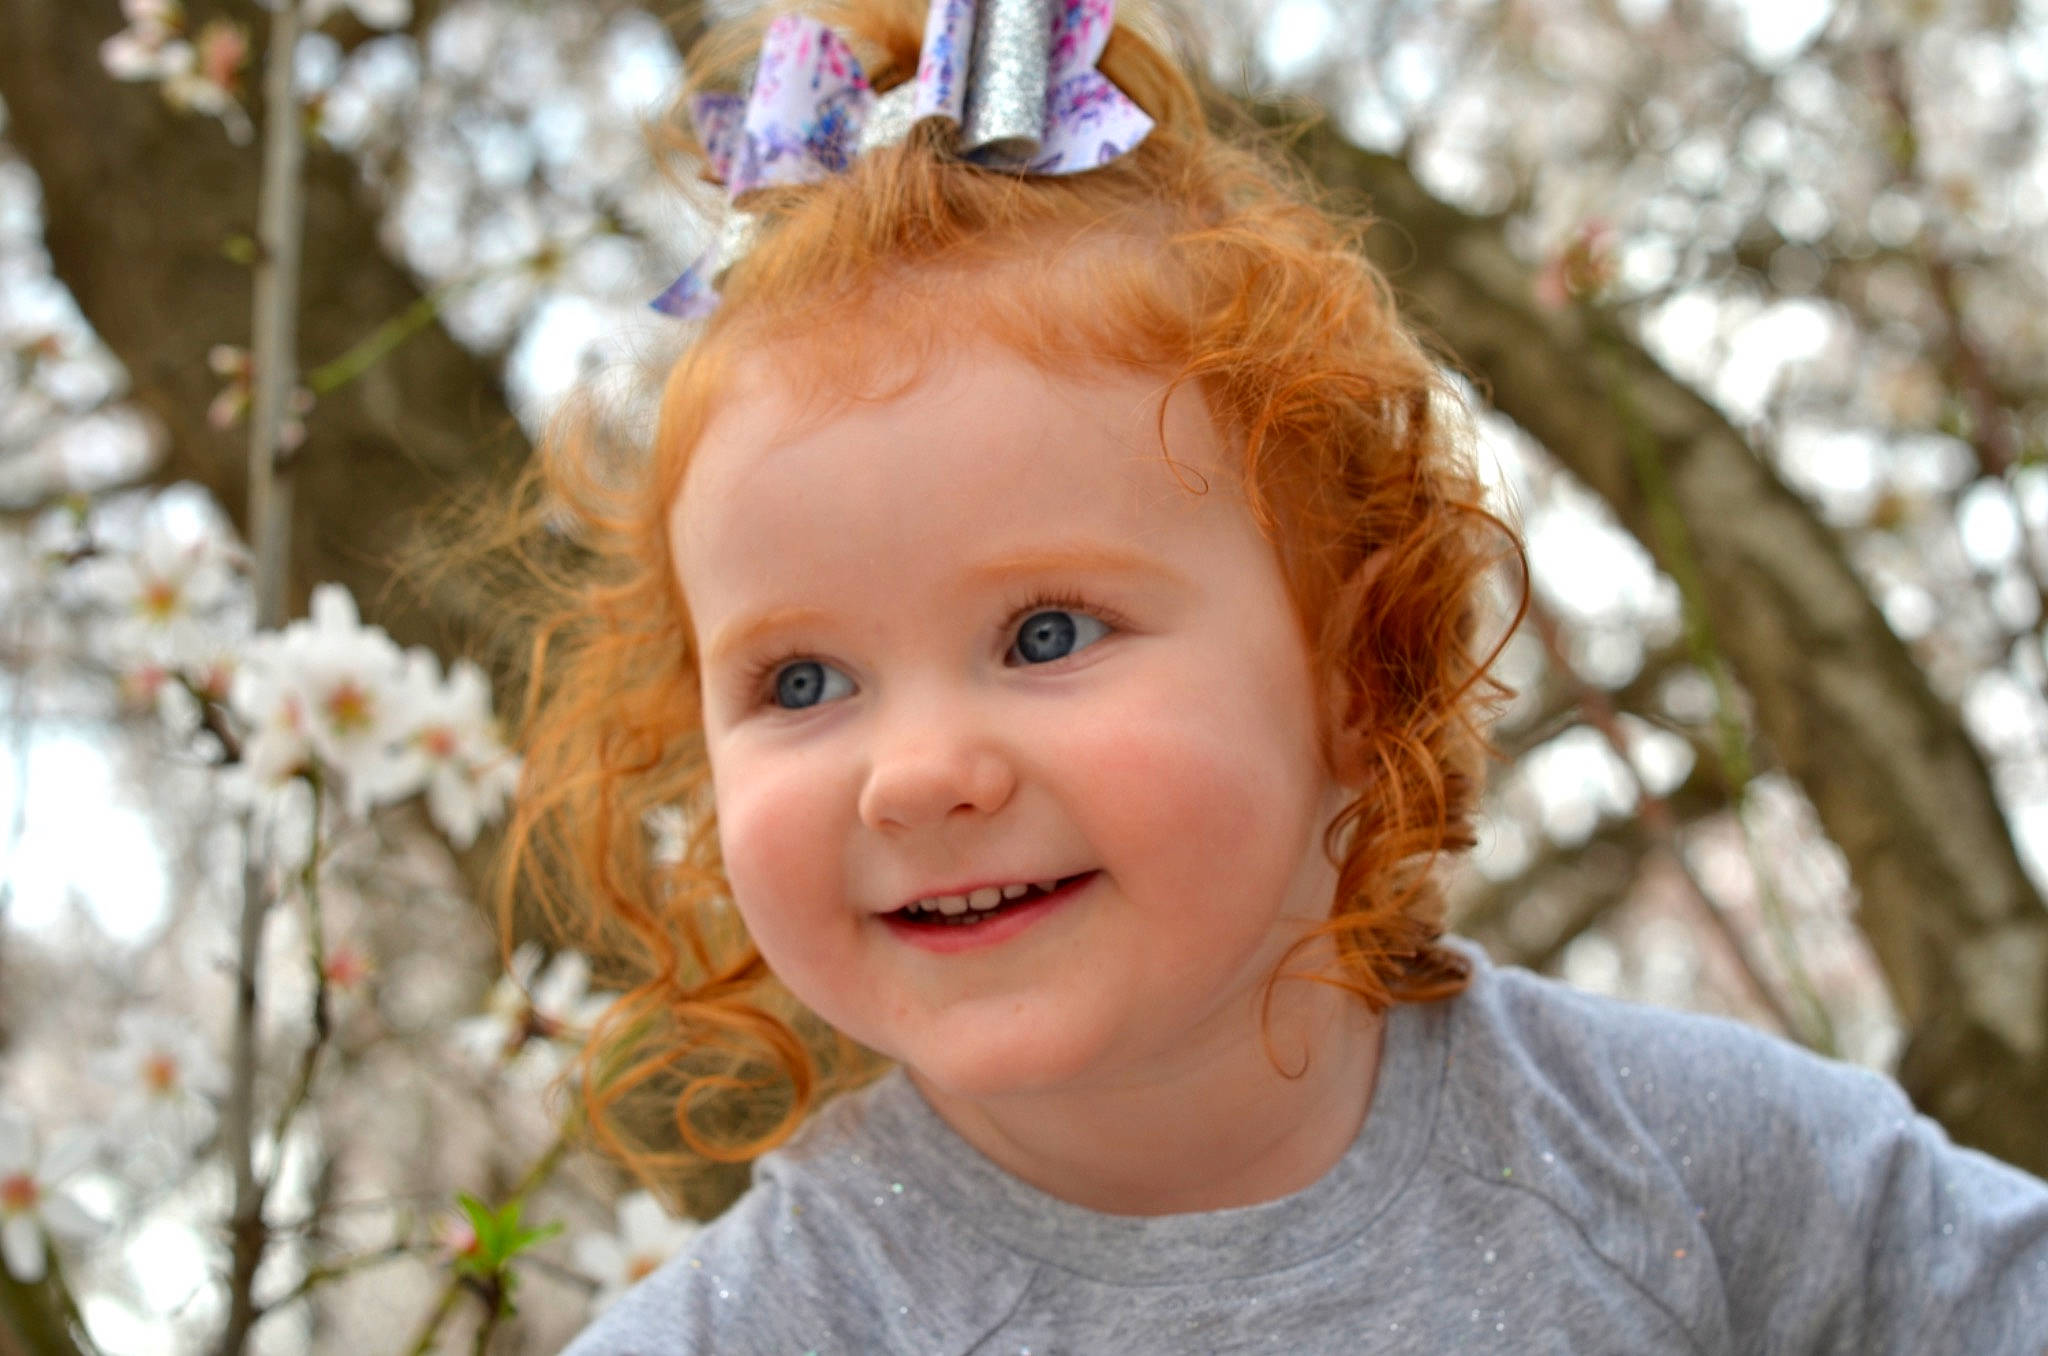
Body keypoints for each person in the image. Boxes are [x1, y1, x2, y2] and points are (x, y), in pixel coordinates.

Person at [499, 0, 2048, 1349]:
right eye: (802, 683)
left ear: (1354, 664)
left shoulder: (1684, 1170)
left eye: (1045, 634)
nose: (914, 772)